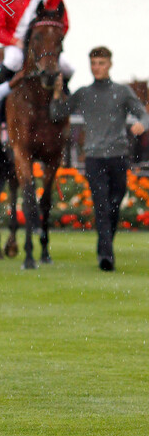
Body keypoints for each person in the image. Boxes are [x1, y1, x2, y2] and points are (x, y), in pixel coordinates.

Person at [50, 47, 149, 271]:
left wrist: (142, 123)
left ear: (110, 64)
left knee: (114, 205)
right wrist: (56, 94)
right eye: (94, 63)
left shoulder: (122, 92)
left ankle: (104, 245)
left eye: (101, 63)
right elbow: (57, 114)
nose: (97, 68)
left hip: (118, 157)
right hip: (94, 158)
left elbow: (143, 113)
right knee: (102, 206)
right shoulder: (84, 93)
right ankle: (106, 255)